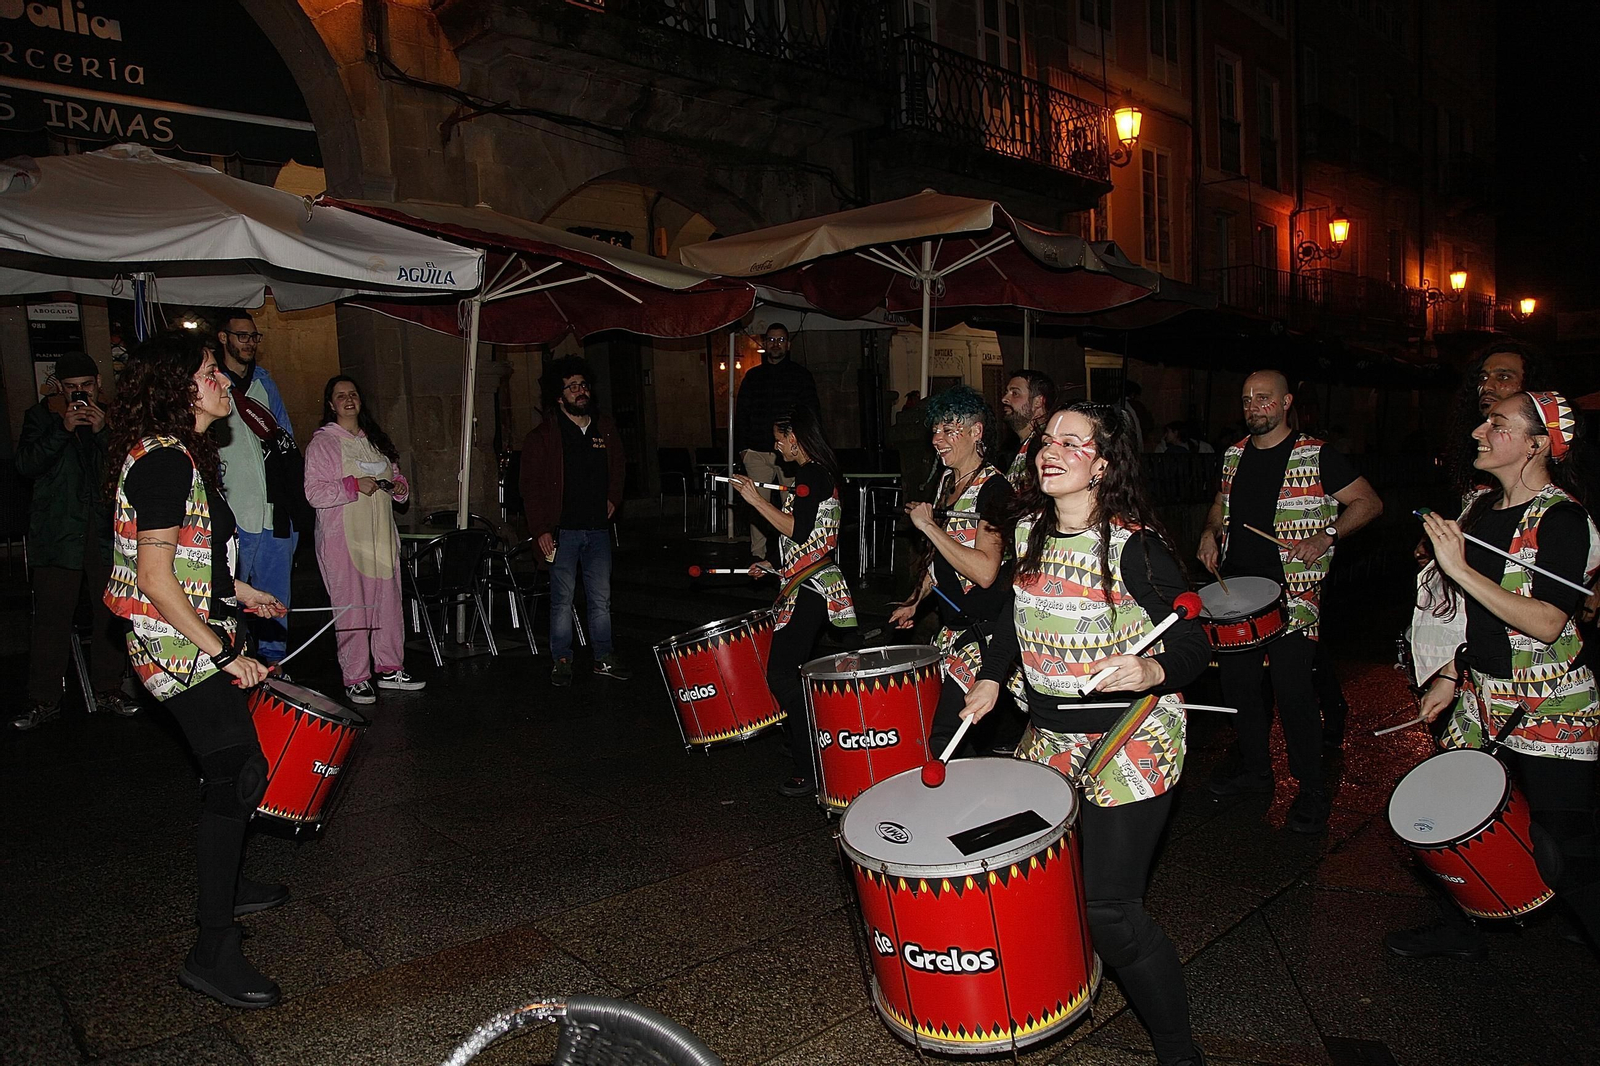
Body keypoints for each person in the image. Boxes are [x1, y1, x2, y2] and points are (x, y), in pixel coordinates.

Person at [960, 402, 1209, 1066]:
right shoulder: (1029, 533)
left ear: (1103, 464)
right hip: (1047, 740)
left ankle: (1181, 1053)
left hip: (1131, 744)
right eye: (1048, 439)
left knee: (1110, 910)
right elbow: (1015, 614)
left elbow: (1194, 641)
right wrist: (991, 676)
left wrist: (1148, 666)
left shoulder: (1136, 548)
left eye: (1073, 443)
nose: (1052, 450)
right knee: (1035, 883)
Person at [102, 332, 288, 1008]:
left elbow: (191, 558)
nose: (220, 380)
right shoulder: (164, 463)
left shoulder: (181, 455)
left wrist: (239, 594)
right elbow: (152, 576)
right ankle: (212, 949)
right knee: (237, 773)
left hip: (188, 634)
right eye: (210, 370)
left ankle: (228, 883)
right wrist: (224, 650)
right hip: (174, 649)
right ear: (178, 387)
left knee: (231, 774)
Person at [1389, 391, 1600, 959]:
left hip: (1549, 704)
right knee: (1456, 820)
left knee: (1564, 848)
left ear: (1538, 444)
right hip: (1482, 696)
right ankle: (1463, 930)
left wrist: (1457, 565)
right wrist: (1451, 673)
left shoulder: (1563, 519)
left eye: (1497, 424)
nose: (1480, 431)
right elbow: (1477, 618)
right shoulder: (1480, 509)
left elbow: (1548, 621)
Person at [1197, 370, 1383, 833]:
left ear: (1285, 403)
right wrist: (1209, 531)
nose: (1253, 406)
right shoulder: (1234, 454)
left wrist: (1326, 535)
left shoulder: (1316, 454)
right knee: (1239, 688)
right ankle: (1257, 773)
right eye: (1246, 399)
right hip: (1238, 593)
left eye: (1263, 398)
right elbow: (1221, 504)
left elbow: (1368, 502)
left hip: (1295, 594)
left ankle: (1312, 788)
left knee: (1294, 691)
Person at [731, 405, 857, 796]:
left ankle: (811, 758)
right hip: (810, 582)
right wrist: (772, 564)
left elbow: (800, 530)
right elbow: (812, 534)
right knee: (792, 672)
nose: (775, 444)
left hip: (813, 587)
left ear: (795, 439)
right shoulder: (816, 474)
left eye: (779, 437)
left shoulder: (809, 473)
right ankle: (809, 742)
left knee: (783, 675)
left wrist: (755, 500)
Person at [888, 386, 1013, 757]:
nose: (936, 439)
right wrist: (915, 600)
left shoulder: (995, 490)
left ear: (976, 432)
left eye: (948, 430)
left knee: (946, 738)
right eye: (935, 430)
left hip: (985, 635)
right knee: (945, 733)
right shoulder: (947, 484)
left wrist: (929, 527)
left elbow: (986, 571)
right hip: (954, 630)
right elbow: (941, 561)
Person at [13, 351, 131, 729]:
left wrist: (102, 434)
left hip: (101, 533)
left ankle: (109, 688)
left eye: (86, 386)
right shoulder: (41, 416)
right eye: (71, 388)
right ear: (59, 388)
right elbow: (26, 465)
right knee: (51, 619)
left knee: (109, 614)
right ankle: (43, 699)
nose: (80, 394)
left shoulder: (112, 417)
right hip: (57, 533)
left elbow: (125, 469)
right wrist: (61, 430)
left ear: (98, 384)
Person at [303, 375, 424, 705]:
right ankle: (356, 677)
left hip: (381, 537)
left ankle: (390, 668)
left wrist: (399, 487)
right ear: (331, 404)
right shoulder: (323, 444)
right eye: (340, 395)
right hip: (343, 541)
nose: (348, 399)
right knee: (352, 608)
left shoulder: (376, 441)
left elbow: (394, 477)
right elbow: (314, 493)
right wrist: (352, 486)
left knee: (387, 603)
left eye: (353, 393)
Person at [520, 356, 630, 687]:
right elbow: (531, 487)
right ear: (559, 395)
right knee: (562, 599)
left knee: (601, 597)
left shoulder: (604, 427)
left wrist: (614, 496)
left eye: (583, 385)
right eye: (572, 387)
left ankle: (603, 657)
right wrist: (540, 529)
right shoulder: (543, 437)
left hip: (597, 529)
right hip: (562, 532)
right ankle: (562, 659)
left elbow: (619, 466)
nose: (580, 391)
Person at [215, 310, 304, 667]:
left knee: (275, 598)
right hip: (233, 513)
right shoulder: (213, 386)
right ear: (224, 338)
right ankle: (232, 663)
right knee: (229, 598)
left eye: (254, 337)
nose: (249, 343)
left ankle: (273, 669)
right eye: (241, 336)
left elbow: (286, 441)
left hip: (273, 511)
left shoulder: (265, 383)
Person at [734, 323, 820, 562]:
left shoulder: (801, 376)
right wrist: (743, 449)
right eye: (771, 340)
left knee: (792, 505)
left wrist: (805, 447)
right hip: (757, 451)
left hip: (790, 453)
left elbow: (811, 413)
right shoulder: (752, 377)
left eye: (780, 340)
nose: (775, 344)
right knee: (756, 502)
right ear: (765, 344)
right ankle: (757, 556)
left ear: (788, 344)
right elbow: (741, 413)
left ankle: (790, 555)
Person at [999, 369, 1056, 488]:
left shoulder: (1046, 448)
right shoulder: (1009, 448)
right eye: (1006, 392)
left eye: (1015, 393)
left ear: (1038, 402)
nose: (1004, 399)